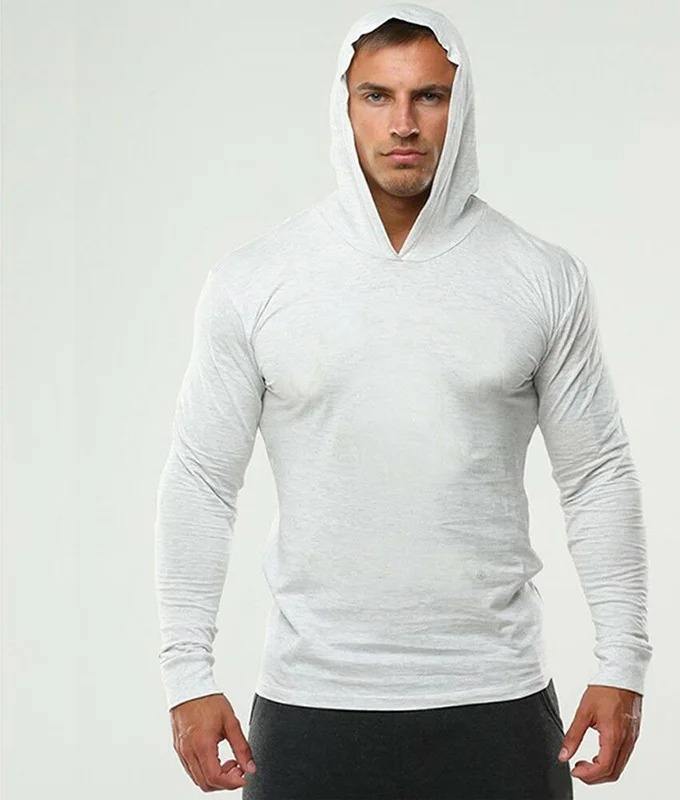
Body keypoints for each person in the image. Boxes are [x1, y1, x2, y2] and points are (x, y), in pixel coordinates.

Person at [154, 4, 652, 798]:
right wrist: (187, 674)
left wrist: (622, 661)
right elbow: (201, 480)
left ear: (462, 104)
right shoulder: (256, 281)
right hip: (311, 707)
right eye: (377, 96)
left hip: (498, 704)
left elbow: (596, 474)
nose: (404, 124)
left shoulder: (540, 276)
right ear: (344, 106)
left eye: (430, 95)